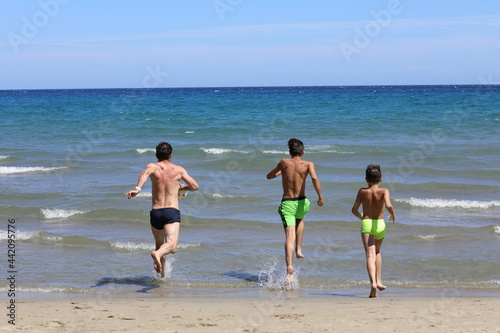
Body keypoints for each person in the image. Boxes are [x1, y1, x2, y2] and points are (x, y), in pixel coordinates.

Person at [127, 142, 199, 277]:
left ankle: (162, 276)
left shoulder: (153, 167)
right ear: (171, 155)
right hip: (171, 211)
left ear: (156, 155)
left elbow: (145, 174)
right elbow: (195, 186)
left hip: (156, 212)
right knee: (171, 246)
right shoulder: (178, 170)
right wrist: (182, 187)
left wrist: (137, 189)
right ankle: (158, 255)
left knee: (159, 244)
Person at [266, 138, 325, 283]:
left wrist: (281, 173)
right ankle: (299, 249)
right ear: (302, 152)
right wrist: (320, 197)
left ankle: (289, 269)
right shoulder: (308, 164)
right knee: (301, 220)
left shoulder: (284, 162)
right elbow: (315, 178)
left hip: (288, 203)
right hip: (302, 202)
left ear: (289, 152)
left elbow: (269, 176)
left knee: (289, 236)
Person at [351, 164, 395, 298]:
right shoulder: (384, 191)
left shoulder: (362, 191)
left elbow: (354, 210)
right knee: (377, 252)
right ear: (380, 179)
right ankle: (379, 281)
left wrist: (361, 217)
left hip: (367, 224)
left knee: (370, 256)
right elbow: (388, 205)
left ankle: (373, 284)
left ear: (366, 179)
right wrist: (393, 215)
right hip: (380, 224)